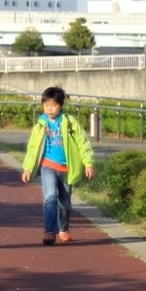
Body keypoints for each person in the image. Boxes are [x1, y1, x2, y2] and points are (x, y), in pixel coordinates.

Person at [21, 86, 95, 245]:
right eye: (46, 105)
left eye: (53, 105)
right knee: (50, 197)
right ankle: (49, 231)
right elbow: (33, 148)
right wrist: (27, 168)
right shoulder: (41, 124)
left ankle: (63, 229)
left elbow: (83, 142)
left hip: (67, 169)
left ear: (61, 105)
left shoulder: (69, 122)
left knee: (65, 203)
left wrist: (88, 163)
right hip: (48, 166)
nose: (49, 109)